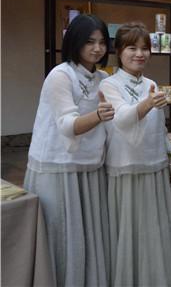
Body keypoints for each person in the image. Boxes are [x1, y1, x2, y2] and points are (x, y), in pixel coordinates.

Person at [24, 14, 113, 286]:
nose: (97, 48)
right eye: (89, 42)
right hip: (58, 167)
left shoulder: (102, 77)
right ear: (74, 42)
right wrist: (99, 115)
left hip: (89, 165)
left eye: (101, 42)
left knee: (87, 236)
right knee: (62, 234)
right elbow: (66, 125)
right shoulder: (60, 75)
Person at [99, 22, 171, 286]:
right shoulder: (109, 84)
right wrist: (149, 103)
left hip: (155, 165)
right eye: (132, 48)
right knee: (128, 229)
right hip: (124, 167)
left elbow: (159, 128)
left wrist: (169, 159)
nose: (140, 54)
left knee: (155, 228)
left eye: (145, 49)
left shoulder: (150, 83)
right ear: (118, 51)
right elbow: (123, 120)